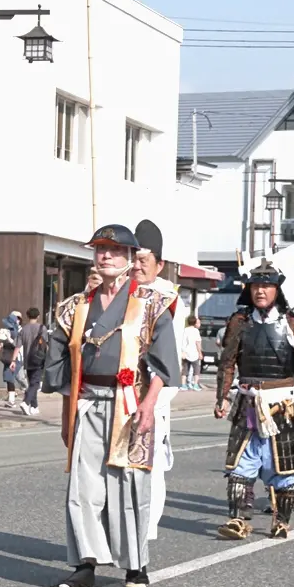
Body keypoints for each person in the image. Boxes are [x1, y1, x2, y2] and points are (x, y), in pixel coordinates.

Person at [42, 224, 178, 587]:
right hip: (88, 402)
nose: (105, 256)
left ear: (131, 258)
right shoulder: (76, 306)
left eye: (115, 251)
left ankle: (135, 563)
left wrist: (149, 406)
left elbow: (163, 366)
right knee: (84, 487)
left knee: (130, 483)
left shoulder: (152, 302)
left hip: (131, 402)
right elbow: (64, 365)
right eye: (100, 249)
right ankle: (84, 564)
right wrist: (67, 413)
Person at [214, 258, 294, 540]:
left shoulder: (291, 322)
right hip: (248, 401)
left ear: (277, 290)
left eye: (266, 286)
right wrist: (222, 397)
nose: (260, 291)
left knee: (284, 464)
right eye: (255, 286)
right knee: (239, 463)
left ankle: (281, 520)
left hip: (282, 403)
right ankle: (237, 519)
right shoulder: (239, 322)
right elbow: (227, 363)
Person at [131, 218, 181, 547]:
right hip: (118, 391)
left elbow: (165, 361)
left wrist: (152, 401)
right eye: (132, 259)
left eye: (143, 260)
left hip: (152, 392)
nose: (136, 266)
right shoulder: (120, 292)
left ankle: (144, 534)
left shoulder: (165, 299)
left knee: (149, 467)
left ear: (159, 264)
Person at [16, 307, 48, 417]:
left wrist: (13, 360)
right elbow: (45, 344)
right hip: (38, 359)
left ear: (28, 316)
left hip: (27, 360)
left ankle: (34, 407)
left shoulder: (23, 330)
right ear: (38, 316)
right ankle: (26, 402)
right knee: (35, 384)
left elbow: (17, 346)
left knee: (32, 383)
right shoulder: (42, 328)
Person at [0, 311, 23, 406]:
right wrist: (3, 344)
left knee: (13, 377)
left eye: (18, 318)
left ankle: (15, 399)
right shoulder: (9, 329)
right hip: (9, 357)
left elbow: (16, 344)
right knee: (9, 378)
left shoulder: (20, 331)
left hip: (15, 358)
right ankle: (11, 399)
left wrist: (8, 338)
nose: (17, 319)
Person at [182, 316, 203, 390]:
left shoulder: (185, 330)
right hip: (194, 353)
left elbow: (183, 342)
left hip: (186, 352)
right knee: (196, 370)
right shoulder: (196, 331)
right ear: (194, 323)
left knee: (185, 369)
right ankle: (195, 385)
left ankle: (183, 384)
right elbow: (198, 343)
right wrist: (200, 353)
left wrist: (183, 351)